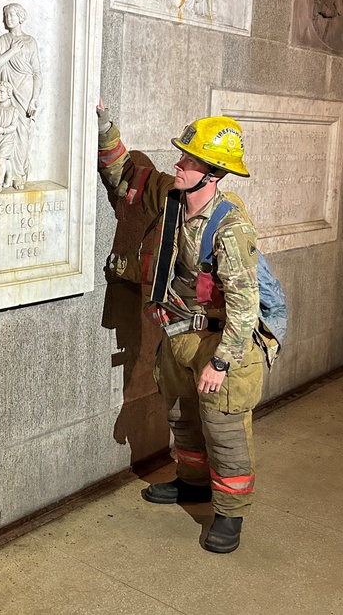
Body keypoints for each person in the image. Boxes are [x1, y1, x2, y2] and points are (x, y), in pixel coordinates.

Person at [96, 103, 263, 554]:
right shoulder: (174, 196)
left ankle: (230, 513)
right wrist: (105, 125)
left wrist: (222, 363)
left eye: (187, 160)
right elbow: (128, 175)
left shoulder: (229, 227)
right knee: (183, 419)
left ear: (211, 173)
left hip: (221, 342)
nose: (178, 164)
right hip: (177, 335)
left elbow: (246, 307)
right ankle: (192, 485)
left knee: (224, 430)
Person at [0, 3, 41, 188]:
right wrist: (11, 51)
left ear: (21, 17)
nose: (8, 18)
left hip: (25, 92)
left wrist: (34, 99)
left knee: (22, 133)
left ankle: (19, 175)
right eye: (6, 16)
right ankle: (4, 176)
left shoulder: (30, 41)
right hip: (7, 91)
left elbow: (37, 73)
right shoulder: (4, 40)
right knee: (6, 131)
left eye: (12, 15)